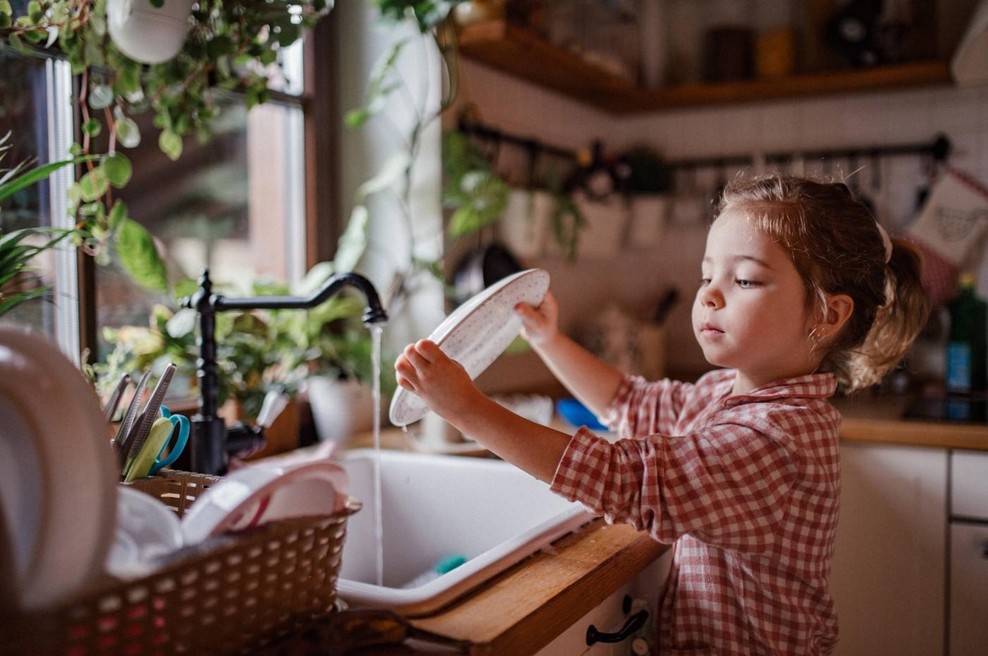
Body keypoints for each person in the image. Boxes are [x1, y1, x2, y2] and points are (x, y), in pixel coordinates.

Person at [394, 174, 929, 655]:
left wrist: (466, 408)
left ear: (827, 315)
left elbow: (622, 478)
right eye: (706, 276)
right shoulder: (727, 393)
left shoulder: (777, 440)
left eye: (743, 280)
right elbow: (632, 403)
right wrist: (549, 341)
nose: (711, 297)